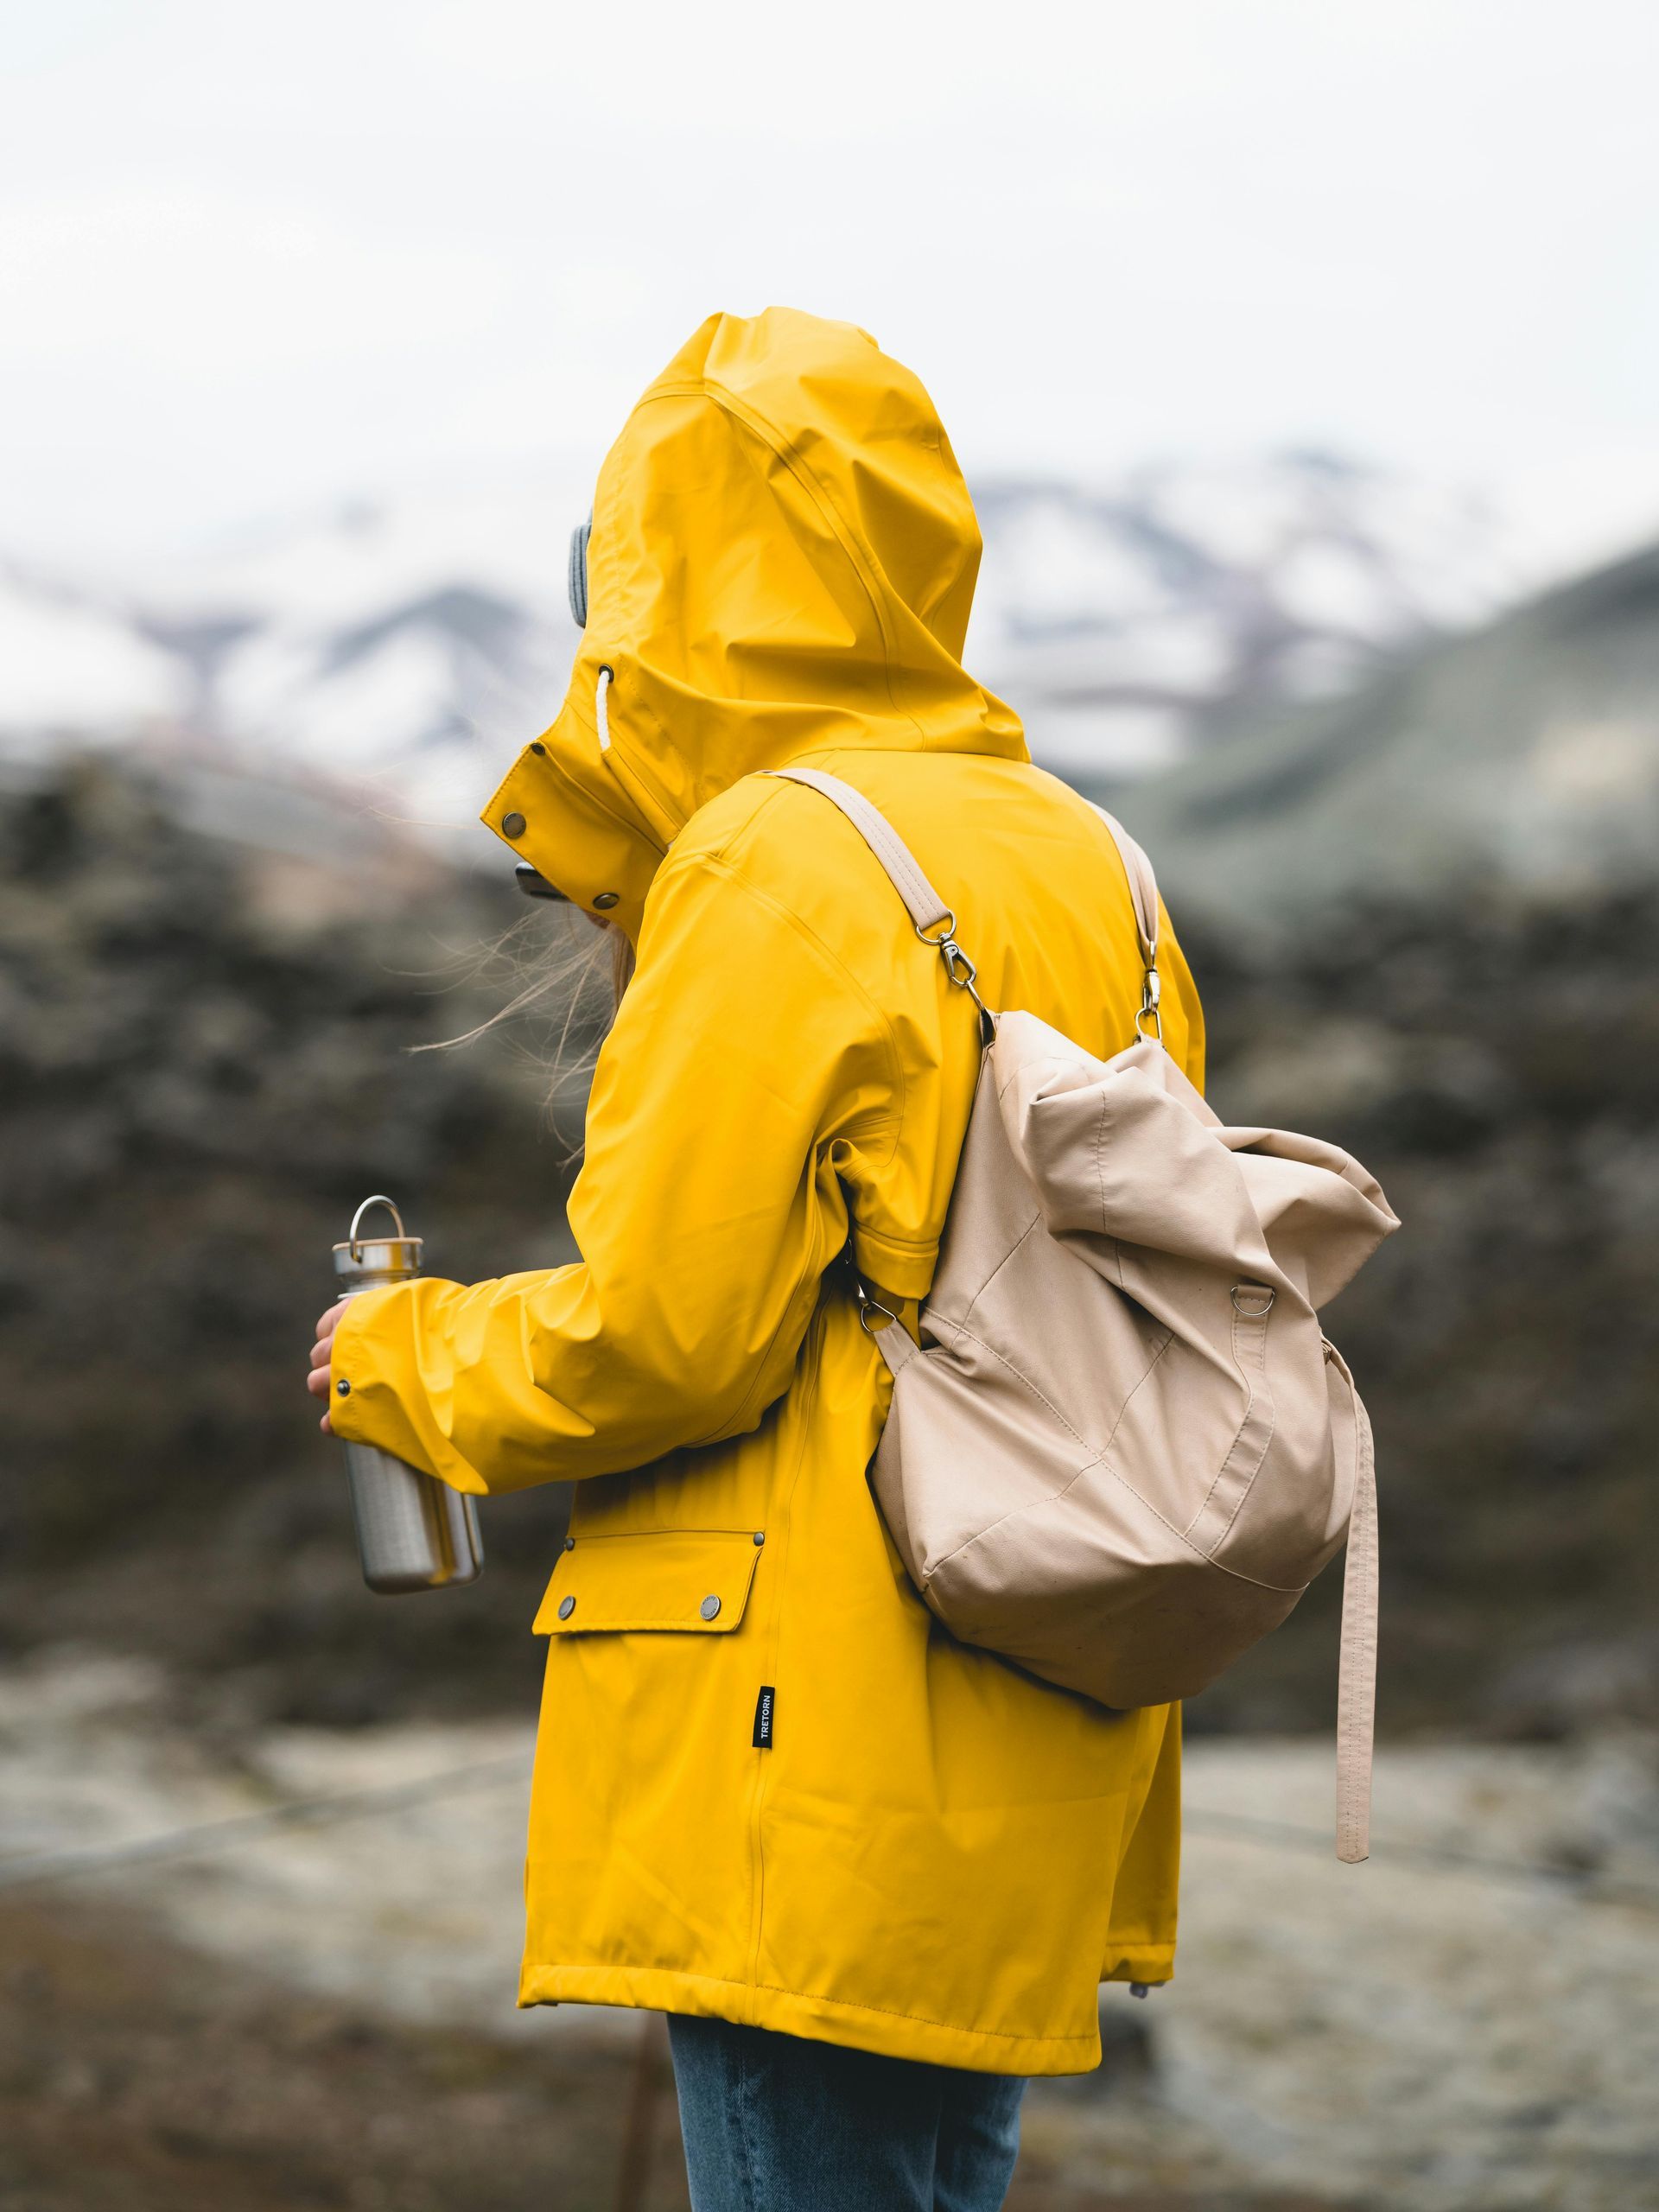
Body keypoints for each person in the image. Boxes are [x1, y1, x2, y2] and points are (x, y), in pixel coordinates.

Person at [307, 306, 1205, 2212]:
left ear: (665, 580)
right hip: (1047, 1674)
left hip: (815, 1712)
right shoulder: (1088, 858)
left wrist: (406, 1359)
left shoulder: (776, 860)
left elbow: (664, 1334)